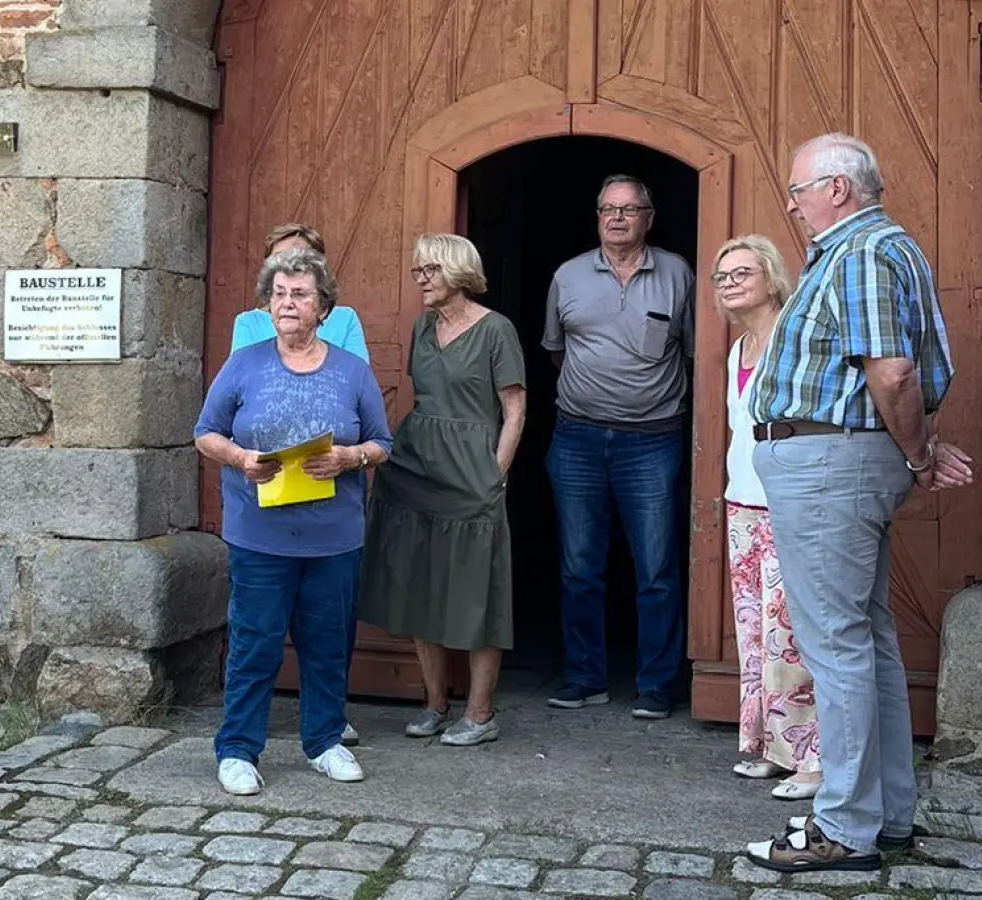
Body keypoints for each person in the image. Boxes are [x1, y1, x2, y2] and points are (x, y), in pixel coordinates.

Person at [745, 133, 974, 873]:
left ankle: (844, 826)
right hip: (836, 460)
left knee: (837, 648)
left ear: (837, 189)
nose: (792, 202)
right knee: (864, 641)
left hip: (828, 461)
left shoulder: (863, 251)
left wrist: (918, 453)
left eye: (800, 188)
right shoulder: (869, 249)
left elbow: (895, 372)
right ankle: (887, 817)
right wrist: (915, 453)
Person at [194, 247, 392, 795]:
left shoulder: (351, 371)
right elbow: (206, 431)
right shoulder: (244, 363)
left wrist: (351, 458)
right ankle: (237, 750)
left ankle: (325, 741)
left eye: (300, 294)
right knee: (255, 642)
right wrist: (240, 458)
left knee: (327, 643)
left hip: (333, 536)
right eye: (279, 294)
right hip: (260, 534)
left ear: (323, 307)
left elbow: (383, 442)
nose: (288, 303)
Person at [358, 234, 527, 746]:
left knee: (478, 593)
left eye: (430, 269)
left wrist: (495, 475)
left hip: (472, 474)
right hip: (414, 470)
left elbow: (515, 410)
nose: (421, 279)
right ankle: (434, 703)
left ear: (458, 271)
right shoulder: (420, 326)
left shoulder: (497, 329)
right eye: (417, 271)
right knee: (419, 585)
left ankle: (479, 713)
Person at [542, 174, 695, 719]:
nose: (617, 218)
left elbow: (699, 353)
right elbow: (557, 352)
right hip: (577, 437)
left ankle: (657, 682)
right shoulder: (569, 275)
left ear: (649, 217)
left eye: (629, 210)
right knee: (579, 565)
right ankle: (585, 677)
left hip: (653, 441)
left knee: (656, 566)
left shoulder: (678, 273)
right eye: (608, 209)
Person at [714, 235, 822, 801]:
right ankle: (766, 746)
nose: (730, 283)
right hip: (743, 503)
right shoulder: (738, 349)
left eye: (741, 273)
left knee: (791, 636)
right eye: (722, 276)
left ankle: (811, 759)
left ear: (772, 278)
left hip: (788, 503)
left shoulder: (791, 338)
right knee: (755, 633)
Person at [230, 223, 370, 363]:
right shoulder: (248, 323)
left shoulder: (345, 319)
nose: (288, 266)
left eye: (300, 259)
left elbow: (357, 377)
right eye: (278, 259)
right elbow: (239, 378)